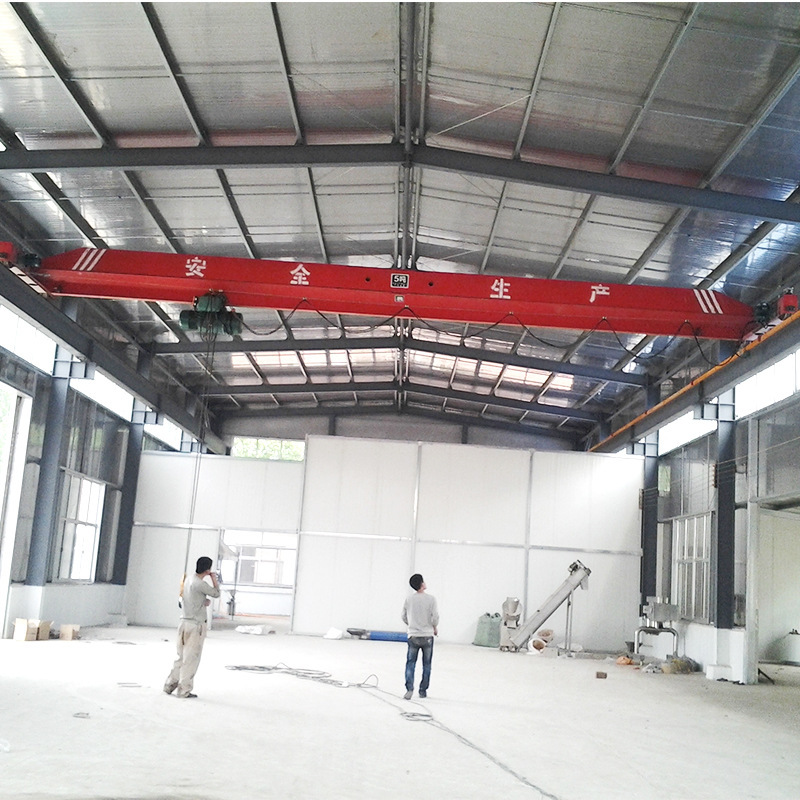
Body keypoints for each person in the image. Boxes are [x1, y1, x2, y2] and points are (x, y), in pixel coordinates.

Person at [163, 556, 220, 699]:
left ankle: (170, 685)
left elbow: (190, 598)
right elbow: (216, 593)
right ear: (207, 569)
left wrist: (203, 601)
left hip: (183, 623)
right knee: (191, 658)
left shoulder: (188, 580)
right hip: (196, 626)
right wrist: (213, 579)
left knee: (180, 657)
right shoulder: (200, 583)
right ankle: (184, 690)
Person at [401, 573, 439, 700]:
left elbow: (404, 616)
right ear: (422, 584)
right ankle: (423, 690)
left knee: (411, 663)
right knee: (427, 664)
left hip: (413, 635)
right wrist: (434, 627)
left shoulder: (409, 599)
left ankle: (409, 688)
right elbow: (435, 617)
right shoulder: (431, 599)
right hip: (427, 635)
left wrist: (411, 625)